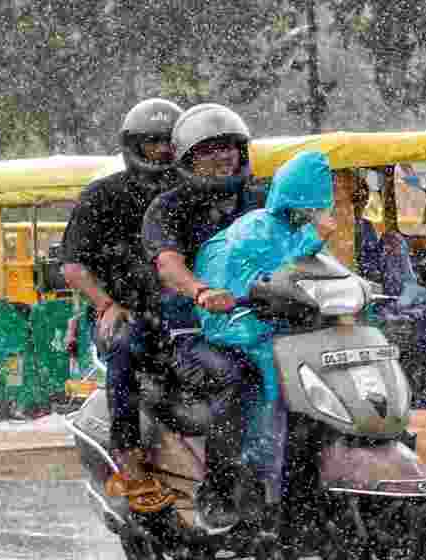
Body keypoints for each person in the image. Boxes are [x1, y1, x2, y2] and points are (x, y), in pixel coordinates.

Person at [141, 102, 261, 534]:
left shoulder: (259, 198)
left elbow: (296, 241)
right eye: (209, 149)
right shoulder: (167, 208)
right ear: (187, 158)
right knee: (234, 376)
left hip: (262, 321)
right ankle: (220, 490)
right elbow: (168, 264)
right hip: (195, 333)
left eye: (229, 146)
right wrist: (200, 291)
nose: (224, 155)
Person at [60, 98, 184, 514]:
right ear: (134, 146)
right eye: (154, 145)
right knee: (127, 346)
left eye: (170, 143)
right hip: (127, 310)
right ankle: (130, 462)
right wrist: (106, 304)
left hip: (189, 308)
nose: (164, 152)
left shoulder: (192, 192)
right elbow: (74, 266)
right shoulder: (104, 195)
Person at [192, 150, 336, 505]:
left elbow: (316, 270)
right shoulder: (258, 228)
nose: (314, 211)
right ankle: (238, 480)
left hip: (280, 329)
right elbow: (281, 272)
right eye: (310, 204)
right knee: (261, 389)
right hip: (243, 328)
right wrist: (315, 236)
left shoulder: (294, 229)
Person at [351, 175, 426, 378]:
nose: (364, 201)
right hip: (385, 290)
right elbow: (371, 263)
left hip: (376, 284)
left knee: (393, 239)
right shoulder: (359, 227)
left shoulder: (357, 226)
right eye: (361, 196)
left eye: (365, 196)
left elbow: (371, 257)